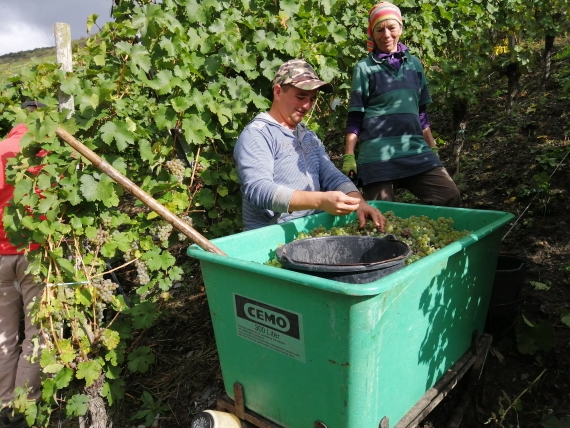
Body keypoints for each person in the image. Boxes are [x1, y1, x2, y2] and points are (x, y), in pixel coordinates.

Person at [234, 59, 386, 231]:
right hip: (270, 237)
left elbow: (332, 176)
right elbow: (259, 189)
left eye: (312, 99)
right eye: (300, 97)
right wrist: (320, 200)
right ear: (277, 92)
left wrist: (359, 202)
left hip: (309, 231)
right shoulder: (258, 134)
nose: (307, 105)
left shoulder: (308, 136)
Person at [342, 2, 461, 207]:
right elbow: (356, 116)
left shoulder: (414, 64)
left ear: (401, 28)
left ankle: (420, 237)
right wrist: (349, 155)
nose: (386, 35)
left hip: (415, 149)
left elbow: (421, 112)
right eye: (380, 29)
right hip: (378, 156)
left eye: (391, 28)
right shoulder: (364, 68)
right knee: (381, 215)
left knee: (449, 197)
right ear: (372, 33)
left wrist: (432, 148)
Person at [0, 100, 46, 428]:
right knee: (36, 331)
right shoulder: (45, 152)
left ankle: (2, 401)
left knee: (3, 333)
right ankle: (22, 405)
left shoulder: (1, 148)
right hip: (34, 253)